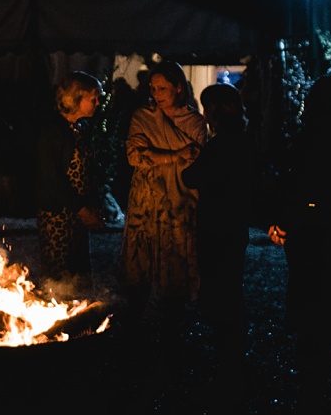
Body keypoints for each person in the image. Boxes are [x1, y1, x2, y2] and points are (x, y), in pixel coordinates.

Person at [263, 75, 331, 414]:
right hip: (329, 228)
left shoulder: (307, 137)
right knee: (327, 286)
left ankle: (311, 369)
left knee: (307, 288)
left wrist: (284, 219)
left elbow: (292, 182)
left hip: (309, 229)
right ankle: (318, 367)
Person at [118, 60, 206, 323]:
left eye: (163, 89)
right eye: (153, 89)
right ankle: (134, 329)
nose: (156, 95)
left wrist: (162, 153)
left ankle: (171, 331)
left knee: (174, 270)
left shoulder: (194, 122)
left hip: (178, 201)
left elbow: (194, 158)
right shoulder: (143, 117)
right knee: (139, 268)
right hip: (145, 201)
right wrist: (175, 154)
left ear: (178, 88)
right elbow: (135, 155)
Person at [181, 80, 259, 357]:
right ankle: (232, 346)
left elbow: (190, 177)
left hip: (214, 224)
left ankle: (226, 350)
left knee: (217, 287)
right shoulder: (247, 143)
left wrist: (189, 158)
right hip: (236, 225)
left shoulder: (217, 147)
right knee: (231, 283)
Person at [34, 71, 107, 296]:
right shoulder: (51, 132)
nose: (97, 103)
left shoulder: (81, 130)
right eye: (92, 98)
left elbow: (88, 173)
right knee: (59, 277)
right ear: (76, 98)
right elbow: (51, 179)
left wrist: (93, 206)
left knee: (79, 274)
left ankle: (81, 320)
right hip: (58, 216)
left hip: (79, 216)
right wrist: (81, 209)